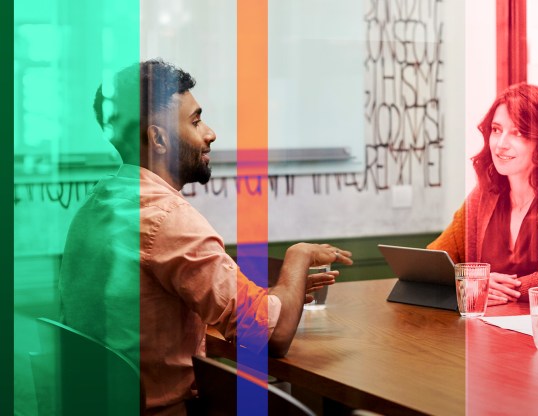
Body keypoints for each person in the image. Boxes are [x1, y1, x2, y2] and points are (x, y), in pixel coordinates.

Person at [59, 59, 353, 415]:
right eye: (196, 121)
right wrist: (298, 257)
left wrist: (280, 297)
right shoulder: (168, 221)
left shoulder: (96, 205)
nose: (210, 133)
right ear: (159, 138)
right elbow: (271, 336)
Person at [428, 83, 538, 305]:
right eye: (496, 130)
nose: (500, 145)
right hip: (488, 331)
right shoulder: (484, 194)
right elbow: (433, 264)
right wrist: (472, 284)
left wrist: (479, 286)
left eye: (518, 132)